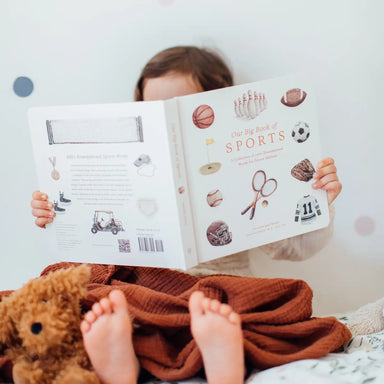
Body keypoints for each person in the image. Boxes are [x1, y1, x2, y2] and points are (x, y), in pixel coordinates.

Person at [30, 46, 343, 383]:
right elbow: (90, 241)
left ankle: (220, 356)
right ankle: (122, 361)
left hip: (216, 292)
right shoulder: (121, 165)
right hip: (145, 293)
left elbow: (294, 247)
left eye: (182, 111)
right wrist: (57, 216)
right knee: (76, 295)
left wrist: (316, 202)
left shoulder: (247, 161)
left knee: (264, 309)